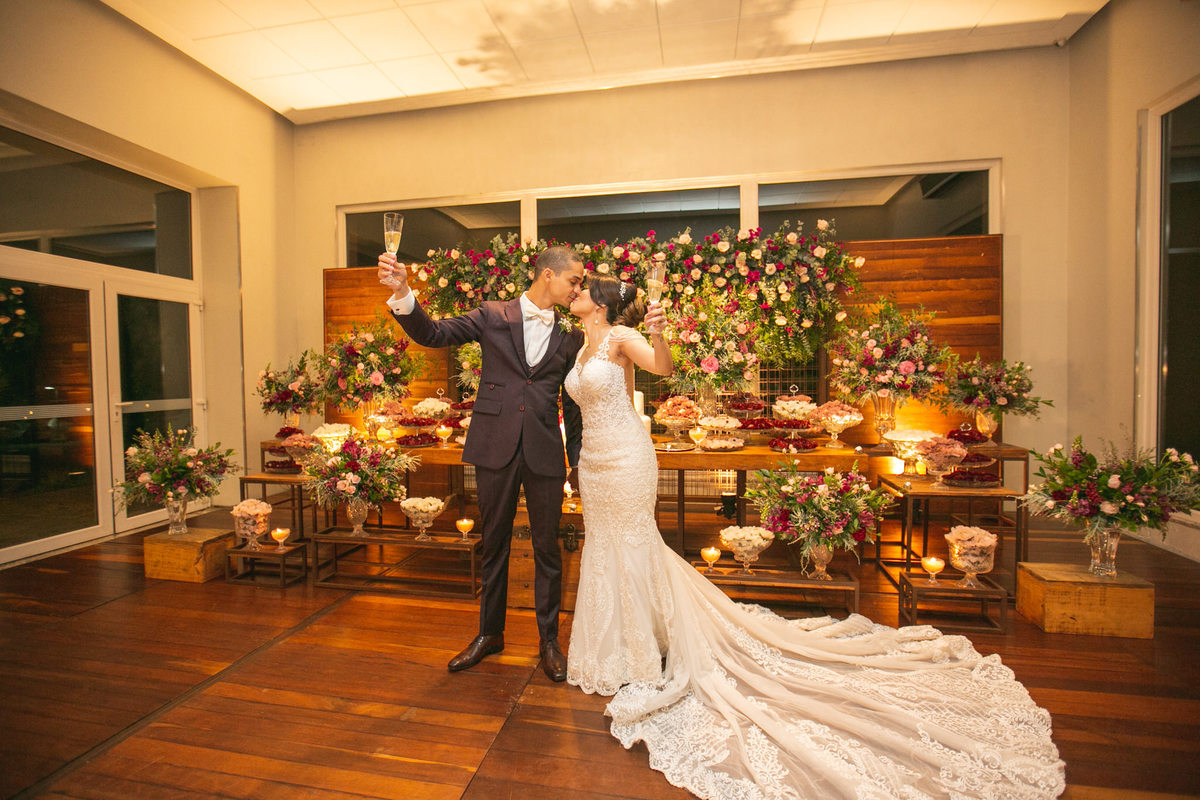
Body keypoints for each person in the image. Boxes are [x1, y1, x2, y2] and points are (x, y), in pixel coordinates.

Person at [563, 274, 1066, 799]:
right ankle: (619, 646)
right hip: (595, 459)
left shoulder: (622, 338)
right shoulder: (582, 343)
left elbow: (662, 368)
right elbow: (597, 400)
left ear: (601, 302)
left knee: (635, 542)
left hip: (628, 459)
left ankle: (641, 649)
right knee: (606, 546)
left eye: (582, 288)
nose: (575, 293)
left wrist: (660, 331)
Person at [378, 245, 585, 682]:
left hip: (546, 451)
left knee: (548, 549)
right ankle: (489, 634)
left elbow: (573, 404)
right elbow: (433, 334)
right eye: (574, 280)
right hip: (494, 446)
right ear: (548, 275)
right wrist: (402, 292)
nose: (577, 288)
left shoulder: (572, 335)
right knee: (494, 543)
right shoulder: (492, 314)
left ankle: (549, 642)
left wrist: (578, 462)